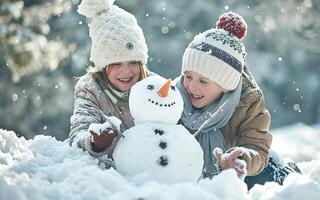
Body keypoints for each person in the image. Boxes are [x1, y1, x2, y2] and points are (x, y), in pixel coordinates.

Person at [176, 11, 299, 189]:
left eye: (203, 81)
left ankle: (288, 176)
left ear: (225, 86)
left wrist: (240, 159)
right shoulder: (173, 97)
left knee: (266, 177)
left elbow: (257, 148)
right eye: (188, 76)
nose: (192, 87)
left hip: (238, 171)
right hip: (190, 172)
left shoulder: (248, 103)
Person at [68, 0, 150, 157]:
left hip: (147, 172)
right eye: (116, 64)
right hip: (108, 174)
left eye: (133, 62)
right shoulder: (91, 88)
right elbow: (78, 132)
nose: (126, 71)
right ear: (103, 65)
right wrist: (93, 142)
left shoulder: (153, 86)